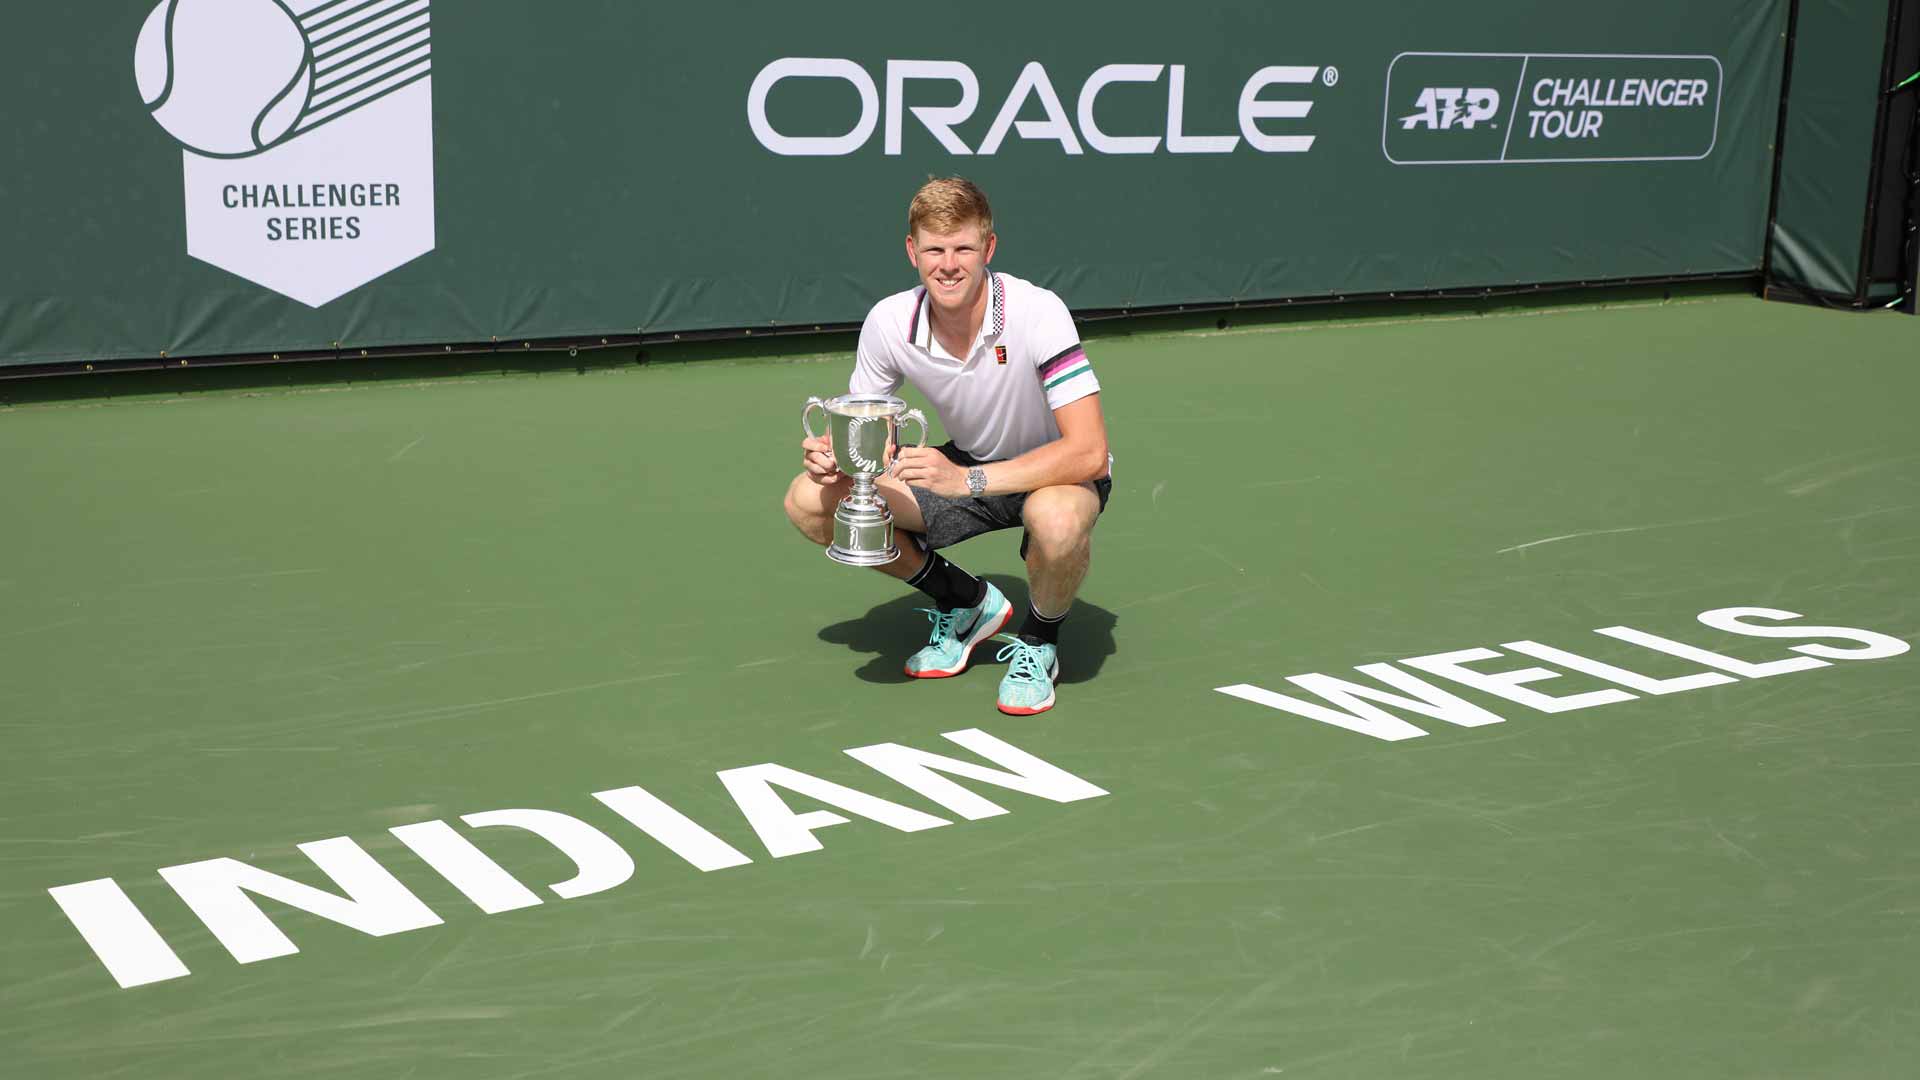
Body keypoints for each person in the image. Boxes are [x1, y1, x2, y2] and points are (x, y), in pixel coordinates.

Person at [783, 177, 1111, 715]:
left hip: (1054, 473)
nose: (949, 265)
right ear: (912, 252)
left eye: (964, 248)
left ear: (989, 248)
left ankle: (1040, 641)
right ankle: (966, 601)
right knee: (809, 501)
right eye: (935, 249)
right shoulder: (890, 322)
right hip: (965, 463)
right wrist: (836, 456)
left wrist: (966, 480)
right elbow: (869, 431)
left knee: (1055, 522)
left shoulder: (1037, 311)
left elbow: (1090, 451)